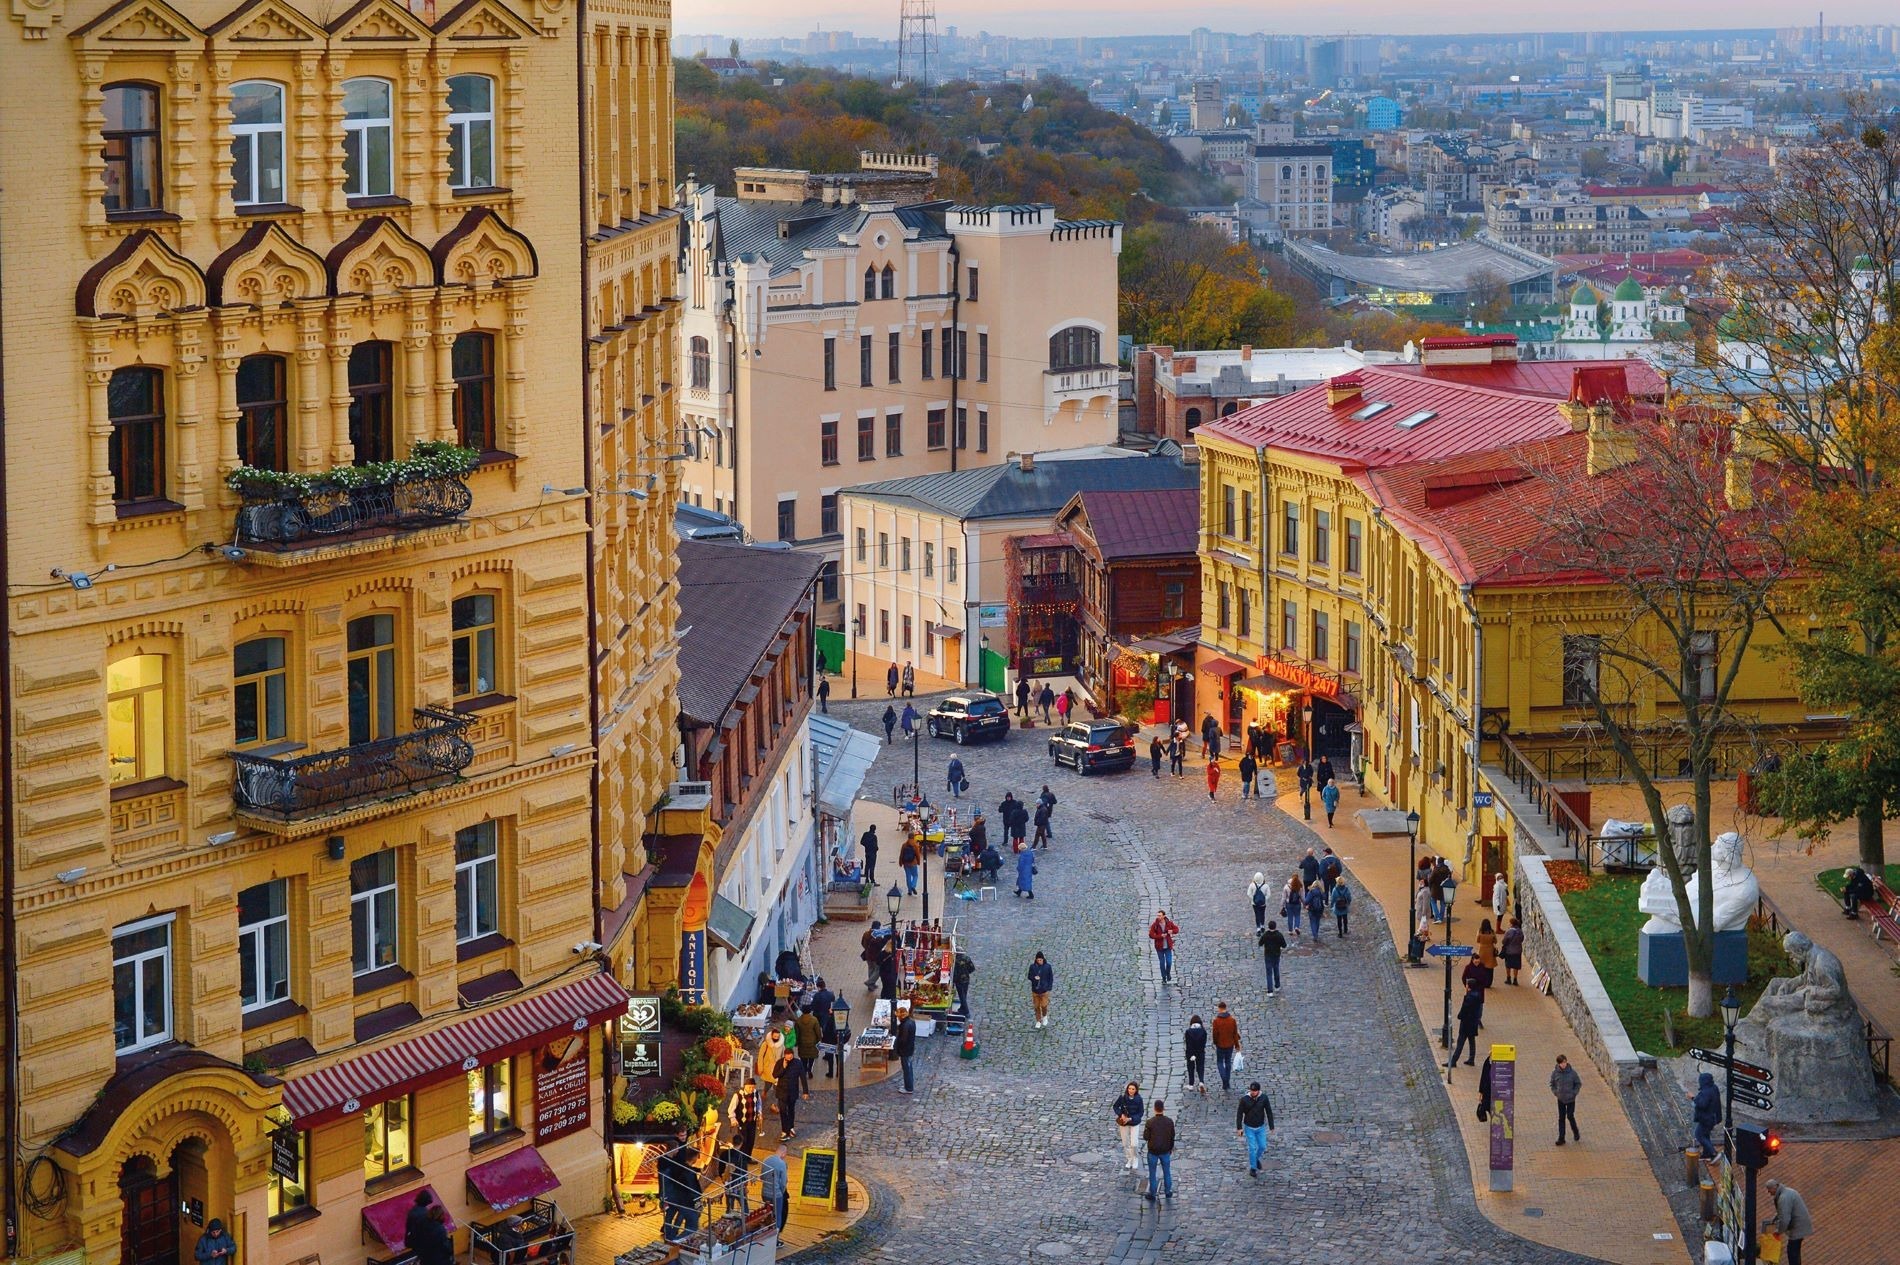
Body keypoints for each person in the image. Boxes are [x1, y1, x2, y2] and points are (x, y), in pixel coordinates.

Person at [657, 1126, 700, 1241]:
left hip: (674, 1191)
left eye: (685, 1135)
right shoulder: (667, 1162)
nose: (683, 1138)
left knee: (672, 1212)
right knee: (677, 1213)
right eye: (681, 1136)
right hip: (672, 1191)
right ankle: (672, 1235)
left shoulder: (671, 1157)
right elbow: (666, 1178)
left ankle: (670, 1233)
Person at [1762, 1178, 1813, 1265]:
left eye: (1769, 1189)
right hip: (1800, 1224)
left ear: (1775, 1187)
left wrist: (1778, 1231)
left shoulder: (1783, 1198)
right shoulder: (1787, 1191)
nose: (1768, 1192)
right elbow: (1783, 1211)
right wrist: (1775, 1218)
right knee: (1795, 1250)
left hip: (1797, 1228)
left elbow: (1785, 1220)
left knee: (1792, 1251)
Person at [1234, 1081, 1276, 1178]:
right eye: (1252, 1090)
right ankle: (1253, 1168)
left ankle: (1255, 1159)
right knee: (1252, 1148)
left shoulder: (1264, 1098)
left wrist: (1271, 1126)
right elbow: (1239, 1114)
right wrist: (1239, 1128)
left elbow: (1269, 1111)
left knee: (1262, 1146)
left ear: (1258, 1091)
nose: (1253, 1092)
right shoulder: (1244, 1100)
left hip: (1260, 1127)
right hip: (1249, 1127)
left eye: (1255, 1091)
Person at [1142, 1101, 1176, 1201]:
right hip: (1165, 1151)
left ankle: (1152, 1193)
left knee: (1152, 1173)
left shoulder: (1150, 1122)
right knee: (1167, 1172)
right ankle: (1168, 1191)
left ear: (1154, 1108)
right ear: (1163, 1108)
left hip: (1153, 1151)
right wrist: (1170, 1148)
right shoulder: (1169, 1121)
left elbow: (1145, 1137)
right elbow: (1172, 1137)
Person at [729, 1078, 762, 1167]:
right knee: (743, 1140)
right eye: (749, 1087)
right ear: (745, 1086)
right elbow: (731, 1109)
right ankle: (741, 1159)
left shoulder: (756, 1093)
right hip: (742, 1122)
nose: (751, 1089)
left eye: (753, 1087)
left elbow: (758, 1104)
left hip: (752, 1121)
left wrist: (759, 1113)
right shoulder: (738, 1095)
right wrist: (733, 1119)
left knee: (751, 1140)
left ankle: (747, 1158)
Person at [1113, 1081, 1145, 1172]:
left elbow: (1141, 1113)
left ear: (1136, 1090)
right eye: (1129, 1089)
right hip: (1124, 1122)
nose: (1131, 1091)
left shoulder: (1139, 1099)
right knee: (1125, 1143)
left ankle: (1135, 1158)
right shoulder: (1123, 1098)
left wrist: (1130, 1119)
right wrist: (1121, 1115)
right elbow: (1115, 1107)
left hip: (1134, 1122)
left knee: (1134, 1143)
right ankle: (1129, 1158)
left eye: (1133, 1089)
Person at [1550, 1054, 1582, 1145]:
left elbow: (1578, 1083)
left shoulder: (1572, 1073)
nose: (1564, 1064)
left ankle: (1575, 1132)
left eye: (1565, 1062)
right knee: (1561, 1118)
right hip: (1561, 1099)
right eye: (1562, 1063)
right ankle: (1561, 1137)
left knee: (1570, 1115)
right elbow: (1552, 1084)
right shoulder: (1555, 1073)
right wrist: (1556, 1093)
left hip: (1571, 1099)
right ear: (1559, 1064)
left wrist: (1574, 1093)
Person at [1691, 1071, 1723, 1159]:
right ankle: (1706, 1154)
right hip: (1714, 1117)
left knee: (1699, 1135)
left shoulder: (1706, 1092)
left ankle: (1713, 1153)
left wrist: (1693, 1098)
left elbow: (1702, 1104)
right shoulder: (1714, 1088)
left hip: (1707, 1119)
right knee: (1705, 1135)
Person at [1211, 1001, 1241, 1091]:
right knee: (1228, 1062)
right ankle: (1227, 1082)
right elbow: (1234, 1034)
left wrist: (1215, 1042)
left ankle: (1224, 1079)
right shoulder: (1232, 1020)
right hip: (1230, 1045)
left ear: (1219, 1009)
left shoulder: (1216, 1021)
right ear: (1226, 1008)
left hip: (1220, 1045)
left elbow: (1215, 1034)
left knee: (1220, 1062)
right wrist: (1237, 1045)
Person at [1452, 983, 1484, 1067]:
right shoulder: (1477, 996)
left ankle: (1453, 1060)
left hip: (1466, 1023)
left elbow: (1464, 1010)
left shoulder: (1469, 997)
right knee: (1471, 1041)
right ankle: (1471, 1059)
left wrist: (1459, 1016)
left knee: (1460, 1042)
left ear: (1469, 987)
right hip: (1473, 1023)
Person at [760, 1144, 790, 1231]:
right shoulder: (782, 1163)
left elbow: (761, 1177)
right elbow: (783, 1182)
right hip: (776, 1194)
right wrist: (781, 1191)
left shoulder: (766, 1160)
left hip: (765, 1193)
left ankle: (766, 1231)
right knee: (778, 1216)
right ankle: (775, 1238)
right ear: (784, 1153)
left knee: (768, 1214)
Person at [776, 1050, 805, 1137]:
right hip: (782, 1092)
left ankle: (791, 1127)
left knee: (791, 1110)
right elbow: (775, 1075)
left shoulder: (798, 1063)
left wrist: (805, 1091)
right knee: (783, 1111)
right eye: (787, 1055)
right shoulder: (780, 1062)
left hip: (792, 1091)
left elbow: (803, 1076)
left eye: (791, 1055)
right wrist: (783, 1068)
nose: (789, 1057)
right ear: (784, 1055)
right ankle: (784, 1130)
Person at [1149, 911, 1180, 984]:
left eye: (1160, 915)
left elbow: (1176, 929)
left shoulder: (1169, 923)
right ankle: (1163, 978)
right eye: (1158, 915)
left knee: (1169, 962)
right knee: (1162, 963)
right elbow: (1151, 935)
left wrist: (1171, 931)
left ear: (1164, 916)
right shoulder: (1155, 925)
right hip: (1159, 947)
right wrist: (1160, 936)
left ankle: (1168, 973)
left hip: (1168, 946)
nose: (1158, 917)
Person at [892, 1005, 918, 1094]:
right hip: (909, 1049)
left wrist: (897, 1047)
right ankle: (909, 1086)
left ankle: (909, 1088)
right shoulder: (911, 1022)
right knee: (908, 1068)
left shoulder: (905, 1025)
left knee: (907, 1069)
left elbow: (903, 1040)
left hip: (905, 1050)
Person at [1257, 921, 1288, 995]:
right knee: (1276, 970)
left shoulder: (1266, 935)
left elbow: (1260, 943)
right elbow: (1284, 945)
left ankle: (1270, 991)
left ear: (1268, 927)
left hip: (1268, 955)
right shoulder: (1279, 935)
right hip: (1276, 955)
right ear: (1275, 926)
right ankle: (1277, 986)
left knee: (1269, 973)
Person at [1027, 951, 1054, 1028]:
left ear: (1043, 959)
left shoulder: (1048, 967)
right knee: (1036, 1006)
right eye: (1038, 960)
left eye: (1040, 960)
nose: (1039, 962)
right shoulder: (1032, 967)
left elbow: (1050, 978)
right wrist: (1034, 978)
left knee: (1044, 1005)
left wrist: (1049, 987)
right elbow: (1029, 976)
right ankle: (1038, 1020)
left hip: (1044, 990)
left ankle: (1045, 1016)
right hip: (1035, 990)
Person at [1183, 1015, 1209, 1095]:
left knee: (1191, 1068)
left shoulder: (1188, 1032)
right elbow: (1203, 1044)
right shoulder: (1203, 1031)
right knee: (1200, 1067)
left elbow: (1188, 1044)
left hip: (1190, 1053)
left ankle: (1191, 1084)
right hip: (1200, 1052)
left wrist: (1191, 1054)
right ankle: (1201, 1081)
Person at [795, 1005, 822, 1080]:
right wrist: (819, 1040)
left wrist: (796, 1043)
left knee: (803, 1059)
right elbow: (818, 1032)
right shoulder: (814, 1020)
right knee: (811, 1058)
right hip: (812, 1043)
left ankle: (804, 1071)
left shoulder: (798, 1021)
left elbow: (797, 1033)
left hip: (802, 1043)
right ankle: (810, 1069)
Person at [860, 920, 884, 991]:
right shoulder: (878, 936)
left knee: (871, 969)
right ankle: (869, 982)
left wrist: (867, 949)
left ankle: (871, 986)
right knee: (878, 970)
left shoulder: (866, 933)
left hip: (867, 955)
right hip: (875, 956)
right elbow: (880, 946)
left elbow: (862, 943)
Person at [1501, 917, 1525, 986]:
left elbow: (1504, 941)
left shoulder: (1508, 932)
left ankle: (1508, 978)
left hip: (1509, 951)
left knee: (1508, 965)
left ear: (1511, 924)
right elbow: (1522, 939)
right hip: (1517, 951)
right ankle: (1515, 979)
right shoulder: (1520, 931)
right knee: (1515, 966)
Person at [952, 950, 975, 1017]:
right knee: (964, 994)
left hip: (959, 981)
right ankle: (962, 1009)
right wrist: (966, 973)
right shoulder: (967, 958)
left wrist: (954, 981)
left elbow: (955, 972)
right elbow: (972, 968)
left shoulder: (955, 960)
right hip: (966, 979)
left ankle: (966, 1012)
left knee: (962, 996)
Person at [1476, 919, 1499, 987]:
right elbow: (1495, 941)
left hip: (1482, 950)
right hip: (1490, 950)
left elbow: (1477, 940)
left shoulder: (1480, 931)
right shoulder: (1492, 932)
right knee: (1490, 968)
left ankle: (1482, 981)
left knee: (1482, 967)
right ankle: (1488, 983)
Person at [1282, 876, 1304, 940]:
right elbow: (1302, 897)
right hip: (1297, 904)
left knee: (1290, 917)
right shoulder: (1299, 887)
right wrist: (1304, 904)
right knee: (1297, 916)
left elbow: (1283, 897)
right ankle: (1296, 927)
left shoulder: (1286, 887)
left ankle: (1290, 930)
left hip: (1289, 904)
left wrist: (1282, 906)